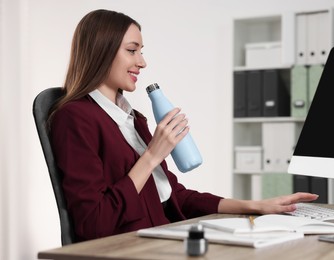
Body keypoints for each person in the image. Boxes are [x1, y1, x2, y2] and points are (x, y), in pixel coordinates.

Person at [48, 9, 318, 242]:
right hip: (132, 247)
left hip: (165, 237)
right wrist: (153, 155)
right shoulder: (74, 118)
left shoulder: (134, 118)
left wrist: (253, 205)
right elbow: (94, 224)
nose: (142, 62)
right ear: (101, 51)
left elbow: (174, 197)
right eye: (132, 51)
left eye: (141, 52)